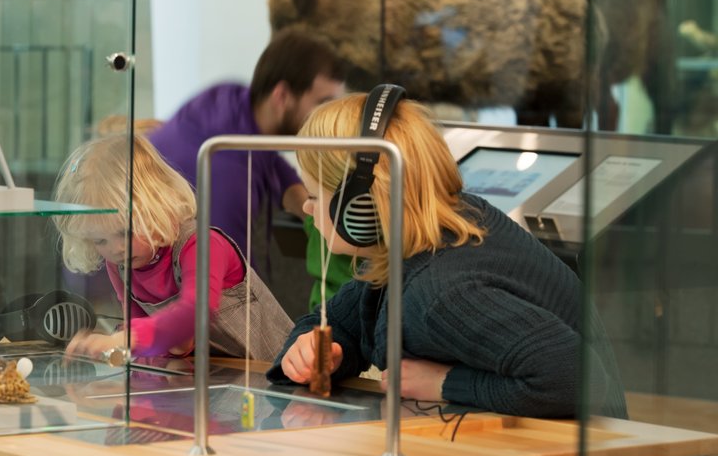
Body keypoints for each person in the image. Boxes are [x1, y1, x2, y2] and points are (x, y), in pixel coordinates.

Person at [266, 89, 628, 419]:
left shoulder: (440, 293)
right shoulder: (430, 237)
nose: (309, 209)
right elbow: (343, 321)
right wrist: (315, 352)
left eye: (315, 196)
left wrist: (443, 383)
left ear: (362, 205)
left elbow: (579, 380)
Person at [52, 134, 292, 362]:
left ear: (157, 204)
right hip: (213, 379)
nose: (116, 249)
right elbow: (142, 331)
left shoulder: (201, 244)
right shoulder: (120, 265)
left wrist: (127, 339)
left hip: (273, 376)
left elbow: (194, 312)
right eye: (99, 241)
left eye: (126, 232)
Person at [149, 29, 350, 291]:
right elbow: (234, 284)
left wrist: (311, 208)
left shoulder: (232, 100)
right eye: (323, 104)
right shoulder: (229, 173)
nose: (330, 117)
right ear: (282, 96)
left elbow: (272, 162)